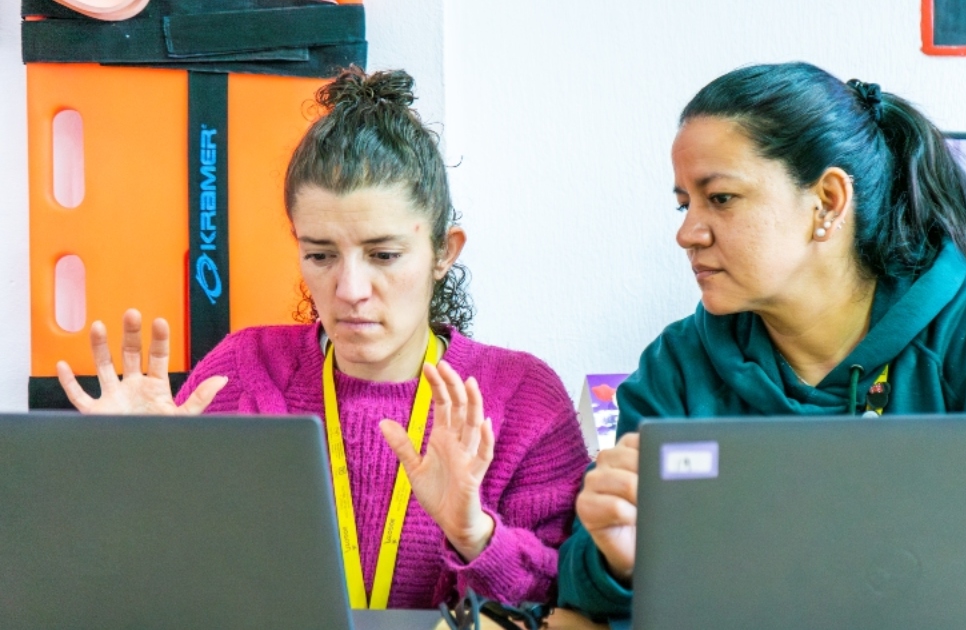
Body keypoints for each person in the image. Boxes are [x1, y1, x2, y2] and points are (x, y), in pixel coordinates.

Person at [556, 61, 966, 619]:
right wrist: (619, 561)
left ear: (828, 201)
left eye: (719, 198)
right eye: (683, 203)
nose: (687, 233)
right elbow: (580, 578)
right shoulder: (675, 369)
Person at [56, 67, 590, 609]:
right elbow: (159, 590)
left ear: (444, 252)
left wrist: (476, 535)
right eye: (320, 255)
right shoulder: (242, 374)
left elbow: (568, 603)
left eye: (383, 255)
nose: (350, 289)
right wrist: (135, 476)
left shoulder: (522, 400)